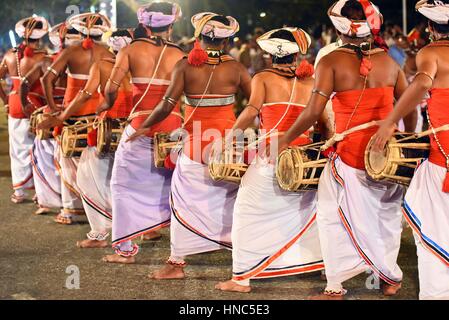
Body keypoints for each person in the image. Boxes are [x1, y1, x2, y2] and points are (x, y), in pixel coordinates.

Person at [276, 0, 416, 299]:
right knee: (385, 218)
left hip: (350, 155)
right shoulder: (391, 62)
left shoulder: (330, 61)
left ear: (339, 26)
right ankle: (389, 277)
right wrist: (406, 142)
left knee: (332, 216)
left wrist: (285, 138)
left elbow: (314, 111)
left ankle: (335, 286)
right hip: (388, 156)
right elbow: (410, 108)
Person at [128, 12, 251, 279]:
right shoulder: (237, 68)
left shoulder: (185, 66)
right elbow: (255, 107)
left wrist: (144, 126)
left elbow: (166, 105)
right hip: (230, 149)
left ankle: (176, 264)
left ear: (198, 37)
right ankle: (239, 256)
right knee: (231, 200)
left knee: (182, 203)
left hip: (195, 147)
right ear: (227, 41)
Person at [215, 27, 327, 293]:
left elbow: (252, 111)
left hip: (271, 155)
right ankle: (321, 266)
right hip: (303, 160)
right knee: (310, 212)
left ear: (269, 53)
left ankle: (241, 278)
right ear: (296, 54)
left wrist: (230, 137)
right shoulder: (311, 82)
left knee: (245, 209)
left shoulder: (263, 77)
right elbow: (323, 121)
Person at [373, 0, 449, 300]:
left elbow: (421, 84)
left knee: (434, 227)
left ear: (430, 28)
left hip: (442, 159)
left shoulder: (431, 52)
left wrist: (389, 122)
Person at [102, 2, 184, 264]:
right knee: (172, 185)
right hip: (173, 125)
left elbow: (112, 89)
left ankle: (125, 248)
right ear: (170, 26)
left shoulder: (129, 50)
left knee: (122, 183)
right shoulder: (179, 54)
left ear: (145, 25)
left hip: (141, 124)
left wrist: (105, 103)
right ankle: (178, 253)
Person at [39, 30, 134, 248]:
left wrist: (62, 115)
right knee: (130, 182)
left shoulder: (102, 65)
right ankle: (143, 230)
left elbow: (86, 94)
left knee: (87, 177)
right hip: (133, 130)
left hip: (107, 130)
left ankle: (101, 232)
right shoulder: (141, 66)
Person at [41, 12, 112, 225]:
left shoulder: (71, 51)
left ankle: (72, 211)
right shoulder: (109, 53)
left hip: (72, 113)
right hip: (99, 115)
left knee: (67, 157)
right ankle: (100, 211)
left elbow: (47, 79)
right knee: (96, 164)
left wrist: (55, 110)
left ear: (80, 30)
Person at [20, 22, 80, 215]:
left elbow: (24, 85)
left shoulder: (46, 61)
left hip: (51, 113)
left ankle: (50, 203)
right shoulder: (87, 59)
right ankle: (76, 207)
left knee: (45, 156)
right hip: (78, 113)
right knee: (73, 160)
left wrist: (28, 106)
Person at [0, 16, 49, 204]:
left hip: (14, 103)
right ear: (41, 36)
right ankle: (39, 191)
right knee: (40, 149)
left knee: (18, 149)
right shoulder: (42, 57)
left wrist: (5, 100)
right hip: (37, 105)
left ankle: (19, 192)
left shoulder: (9, 55)